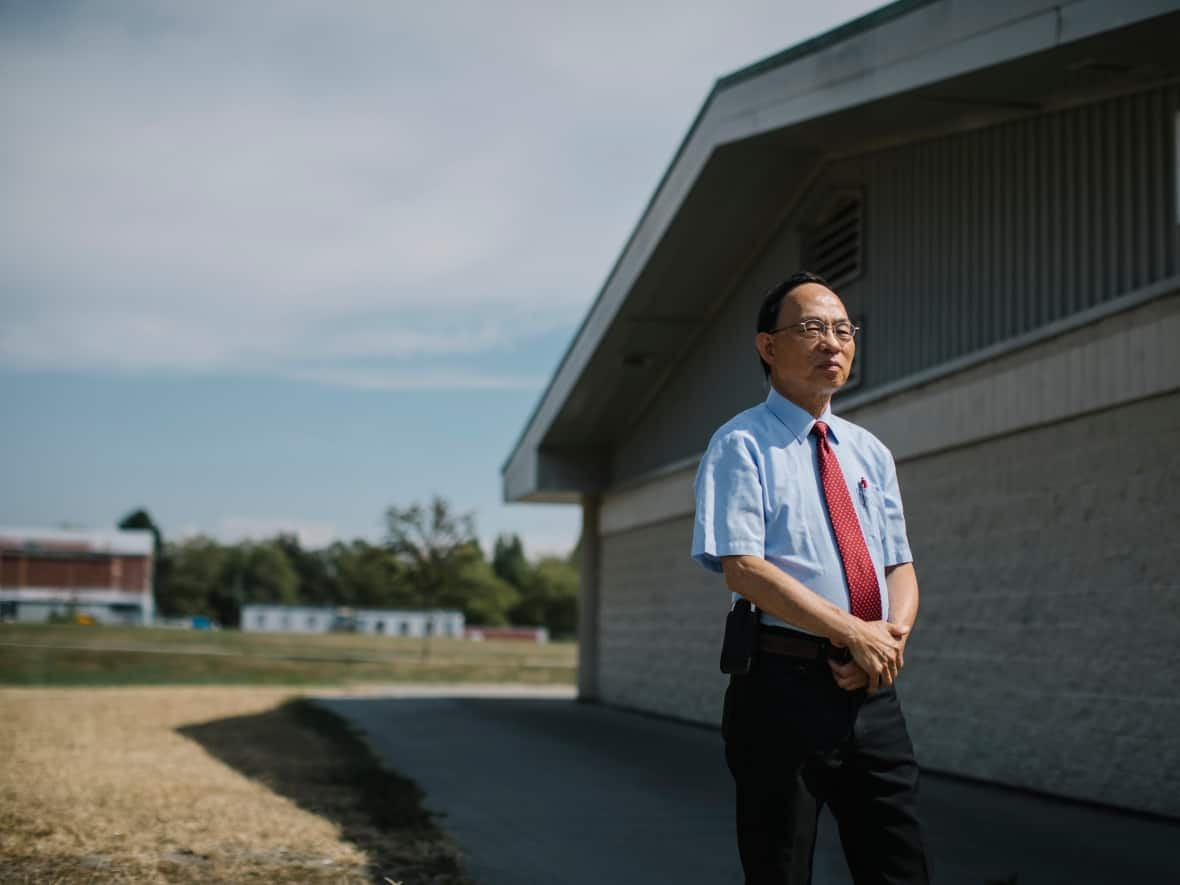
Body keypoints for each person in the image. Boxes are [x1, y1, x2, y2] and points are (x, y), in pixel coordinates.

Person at [692, 271, 929, 885]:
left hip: (873, 693)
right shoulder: (740, 444)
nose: (834, 342)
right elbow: (744, 571)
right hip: (780, 691)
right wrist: (855, 632)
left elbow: (900, 565)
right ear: (768, 347)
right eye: (812, 329)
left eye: (843, 329)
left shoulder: (869, 452)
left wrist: (887, 639)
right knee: (780, 868)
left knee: (900, 867)